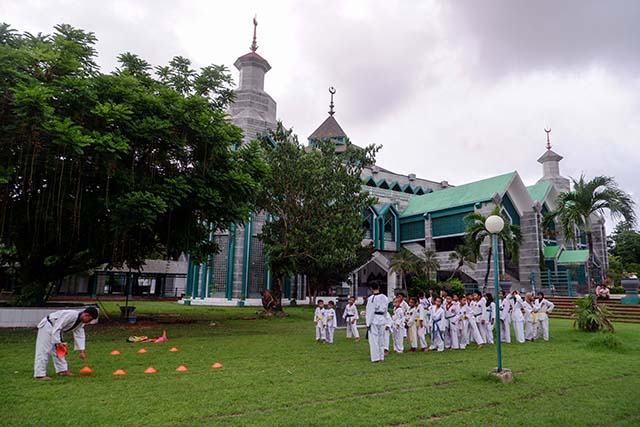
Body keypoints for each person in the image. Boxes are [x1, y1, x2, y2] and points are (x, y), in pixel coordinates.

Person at [34, 307, 99, 380]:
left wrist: (82, 351)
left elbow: (80, 335)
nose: (89, 322)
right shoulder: (71, 315)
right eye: (90, 319)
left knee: (59, 351)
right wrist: (58, 342)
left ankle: (62, 370)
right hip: (48, 326)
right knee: (44, 350)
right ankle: (39, 374)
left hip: (57, 330)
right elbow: (57, 326)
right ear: (86, 315)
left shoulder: (80, 323)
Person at [365, 283, 389, 363]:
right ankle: (381, 357)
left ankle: (376, 358)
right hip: (382, 319)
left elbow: (370, 312)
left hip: (374, 319)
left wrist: (368, 323)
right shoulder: (385, 297)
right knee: (381, 338)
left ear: (371, 289)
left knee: (374, 340)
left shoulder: (371, 298)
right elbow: (386, 310)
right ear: (378, 287)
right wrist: (386, 320)